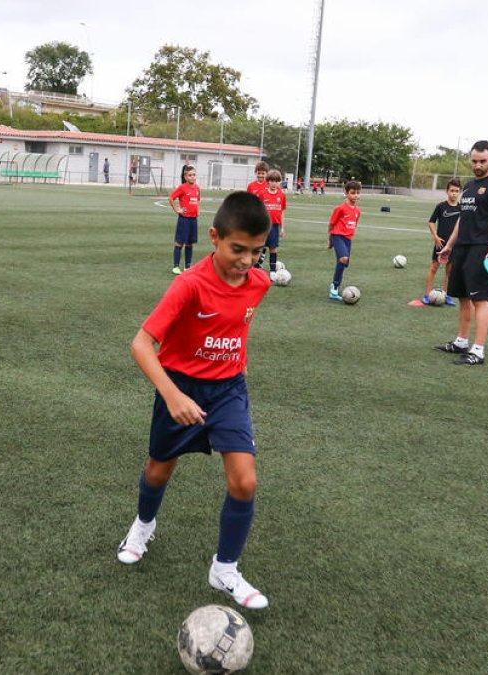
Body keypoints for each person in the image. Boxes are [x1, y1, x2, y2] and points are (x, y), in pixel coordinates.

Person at [115, 190, 273, 611]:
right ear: (215, 237)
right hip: (180, 388)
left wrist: (236, 370)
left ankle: (225, 568)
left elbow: (237, 330)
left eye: (256, 252)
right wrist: (172, 394)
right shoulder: (188, 285)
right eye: (238, 249)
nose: (246, 260)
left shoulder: (260, 282)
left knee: (245, 481)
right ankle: (143, 526)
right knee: (157, 471)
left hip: (228, 392)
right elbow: (141, 344)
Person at [435, 140, 488, 366]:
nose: (477, 165)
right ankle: (461, 341)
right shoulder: (468, 186)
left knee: (480, 299)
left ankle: (478, 350)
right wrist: (449, 245)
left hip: (483, 249)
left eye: (482, 161)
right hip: (462, 248)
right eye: (474, 161)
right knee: (463, 297)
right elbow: (463, 218)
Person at [425, 179, 462, 306]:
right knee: (434, 267)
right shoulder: (441, 206)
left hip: (454, 245)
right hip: (440, 244)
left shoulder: (461, 208)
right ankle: (427, 294)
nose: (454, 194)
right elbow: (431, 222)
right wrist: (435, 236)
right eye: (452, 191)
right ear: (447, 191)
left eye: (457, 191)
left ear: (460, 192)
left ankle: (447, 295)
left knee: (450, 271)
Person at [327, 180, 362, 302]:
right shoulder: (340, 208)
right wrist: (330, 238)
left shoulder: (358, 211)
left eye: (358, 193)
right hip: (337, 236)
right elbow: (331, 224)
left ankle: (334, 284)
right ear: (346, 193)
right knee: (343, 259)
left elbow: (354, 224)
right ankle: (334, 288)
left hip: (347, 239)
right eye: (353, 193)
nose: (356, 195)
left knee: (344, 264)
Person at [168, 164, 201, 275]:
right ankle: (176, 266)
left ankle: (187, 266)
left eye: (194, 175)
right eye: (190, 175)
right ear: (185, 177)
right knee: (179, 243)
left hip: (193, 220)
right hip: (184, 220)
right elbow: (171, 197)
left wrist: (198, 210)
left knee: (190, 243)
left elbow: (198, 200)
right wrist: (177, 209)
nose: (192, 177)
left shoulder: (197, 188)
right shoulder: (182, 187)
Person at [258, 169, 287, 276]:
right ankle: (256, 268)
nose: (274, 183)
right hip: (264, 226)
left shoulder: (282, 195)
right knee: (260, 247)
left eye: (276, 181)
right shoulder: (262, 194)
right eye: (272, 181)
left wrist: (282, 228)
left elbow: (282, 212)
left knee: (273, 248)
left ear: (279, 182)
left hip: (275, 227)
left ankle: (272, 271)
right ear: (268, 181)